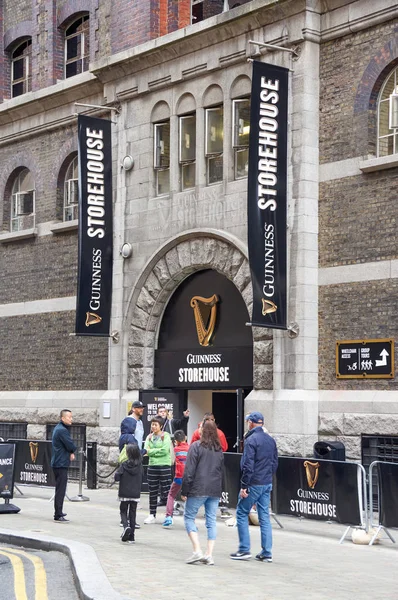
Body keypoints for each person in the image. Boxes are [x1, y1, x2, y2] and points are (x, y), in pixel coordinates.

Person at [230, 412, 278, 562]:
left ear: (250, 422)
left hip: (254, 482)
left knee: (242, 512)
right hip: (266, 481)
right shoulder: (270, 440)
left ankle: (244, 549)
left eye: (247, 422)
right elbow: (275, 463)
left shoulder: (251, 440)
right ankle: (267, 552)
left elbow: (247, 465)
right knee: (264, 517)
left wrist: (244, 485)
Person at [181, 419, 224, 565]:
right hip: (214, 489)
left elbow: (189, 471)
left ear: (203, 431)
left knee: (188, 517)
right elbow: (220, 470)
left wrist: (185, 490)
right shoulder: (219, 449)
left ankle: (197, 550)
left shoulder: (196, 446)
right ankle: (209, 554)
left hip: (198, 488)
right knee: (211, 521)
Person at [144, 416, 172, 523]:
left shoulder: (166, 436)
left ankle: (169, 515)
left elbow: (165, 451)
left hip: (164, 466)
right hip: (152, 466)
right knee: (153, 491)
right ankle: (152, 514)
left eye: (155, 424)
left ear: (161, 426)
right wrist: (153, 451)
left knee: (166, 490)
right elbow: (146, 450)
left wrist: (152, 451)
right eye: (152, 424)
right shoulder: (149, 437)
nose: (153, 426)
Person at [51, 409, 77, 523]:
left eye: (71, 417)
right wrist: (72, 450)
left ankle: (59, 511)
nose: (71, 419)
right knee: (61, 489)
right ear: (63, 418)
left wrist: (70, 452)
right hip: (60, 463)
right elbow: (70, 444)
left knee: (60, 488)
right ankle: (58, 514)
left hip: (59, 462)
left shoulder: (60, 428)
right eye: (69, 417)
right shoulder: (62, 430)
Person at [114, 444, 143, 544]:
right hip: (135, 493)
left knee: (123, 510)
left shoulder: (124, 465)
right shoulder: (140, 465)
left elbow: (117, 477)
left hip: (124, 492)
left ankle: (126, 527)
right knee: (133, 513)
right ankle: (132, 537)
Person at [163, 430, 189, 528]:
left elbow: (171, 461)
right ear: (185, 438)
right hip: (189, 478)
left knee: (171, 495)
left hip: (178, 477)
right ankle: (190, 520)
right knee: (189, 498)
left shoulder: (175, 450)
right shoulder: (190, 448)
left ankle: (168, 517)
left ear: (176, 441)